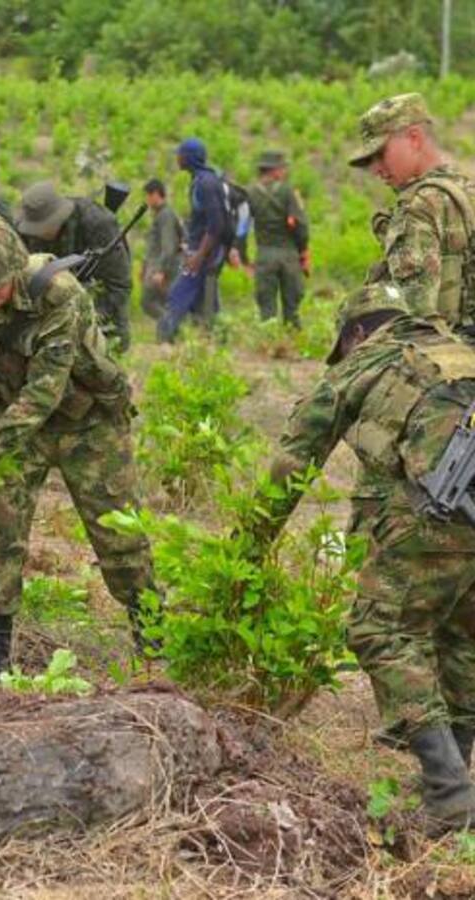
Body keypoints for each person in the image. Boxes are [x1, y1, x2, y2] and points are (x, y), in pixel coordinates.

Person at [247, 282, 475, 832]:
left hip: (442, 506)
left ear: (355, 333)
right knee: (460, 632)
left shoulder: (364, 363)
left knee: (380, 631)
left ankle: (450, 792)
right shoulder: (459, 350)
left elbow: (292, 460)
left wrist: (251, 545)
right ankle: (454, 771)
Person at [0, 209, 157, 677]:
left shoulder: (59, 295)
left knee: (118, 535)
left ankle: (154, 643)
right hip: (16, 426)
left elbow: (45, 390)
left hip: (90, 423)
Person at [350, 93, 475, 337]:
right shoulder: (467, 190)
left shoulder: (417, 207)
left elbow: (416, 317)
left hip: (448, 359)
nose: (376, 169)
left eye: (380, 153)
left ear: (414, 138)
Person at [15, 180, 133, 351]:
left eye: (44, 227)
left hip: (99, 303)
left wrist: (87, 316)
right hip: (52, 309)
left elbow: (119, 285)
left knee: (107, 356)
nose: (39, 233)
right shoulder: (26, 227)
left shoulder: (97, 224)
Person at [157, 138, 229, 343]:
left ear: (189, 158)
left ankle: (165, 341)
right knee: (206, 301)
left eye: (179, 154)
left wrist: (199, 256)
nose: (177, 158)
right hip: (202, 251)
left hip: (204, 254)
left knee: (178, 296)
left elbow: (216, 226)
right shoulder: (200, 180)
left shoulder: (206, 184)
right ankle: (217, 339)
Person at [245, 151, 309, 327]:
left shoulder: (250, 193)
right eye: (282, 168)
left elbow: (242, 225)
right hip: (288, 254)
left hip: (264, 254)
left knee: (267, 306)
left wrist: (242, 254)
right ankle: (293, 340)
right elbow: (300, 224)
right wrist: (303, 249)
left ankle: (269, 341)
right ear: (275, 171)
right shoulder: (288, 192)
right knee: (292, 307)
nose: (284, 172)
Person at [140, 179, 183, 321]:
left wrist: (161, 270)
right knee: (163, 303)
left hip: (163, 268)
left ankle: (172, 328)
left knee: (148, 301)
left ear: (156, 194)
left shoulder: (166, 215)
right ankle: (171, 333)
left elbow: (168, 246)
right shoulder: (159, 215)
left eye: (148, 195)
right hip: (156, 267)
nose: (147, 199)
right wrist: (145, 267)